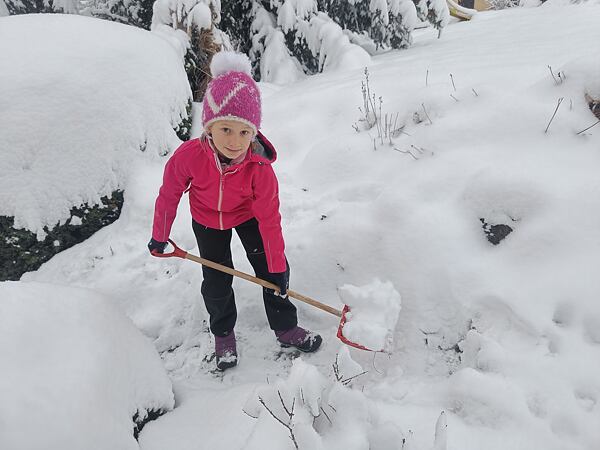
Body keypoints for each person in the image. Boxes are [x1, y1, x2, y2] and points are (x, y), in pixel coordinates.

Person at [148, 51, 322, 371]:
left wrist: (278, 267)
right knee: (216, 280)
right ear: (209, 127)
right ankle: (223, 333)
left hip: (247, 215)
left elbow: (270, 220)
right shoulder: (189, 156)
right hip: (206, 218)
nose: (235, 141)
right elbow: (169, 194)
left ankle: (285, 328)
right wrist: (160, 236)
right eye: (225, 129)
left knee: (271, 274)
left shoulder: (259, 168)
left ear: (254, 132)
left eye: (244, 132)